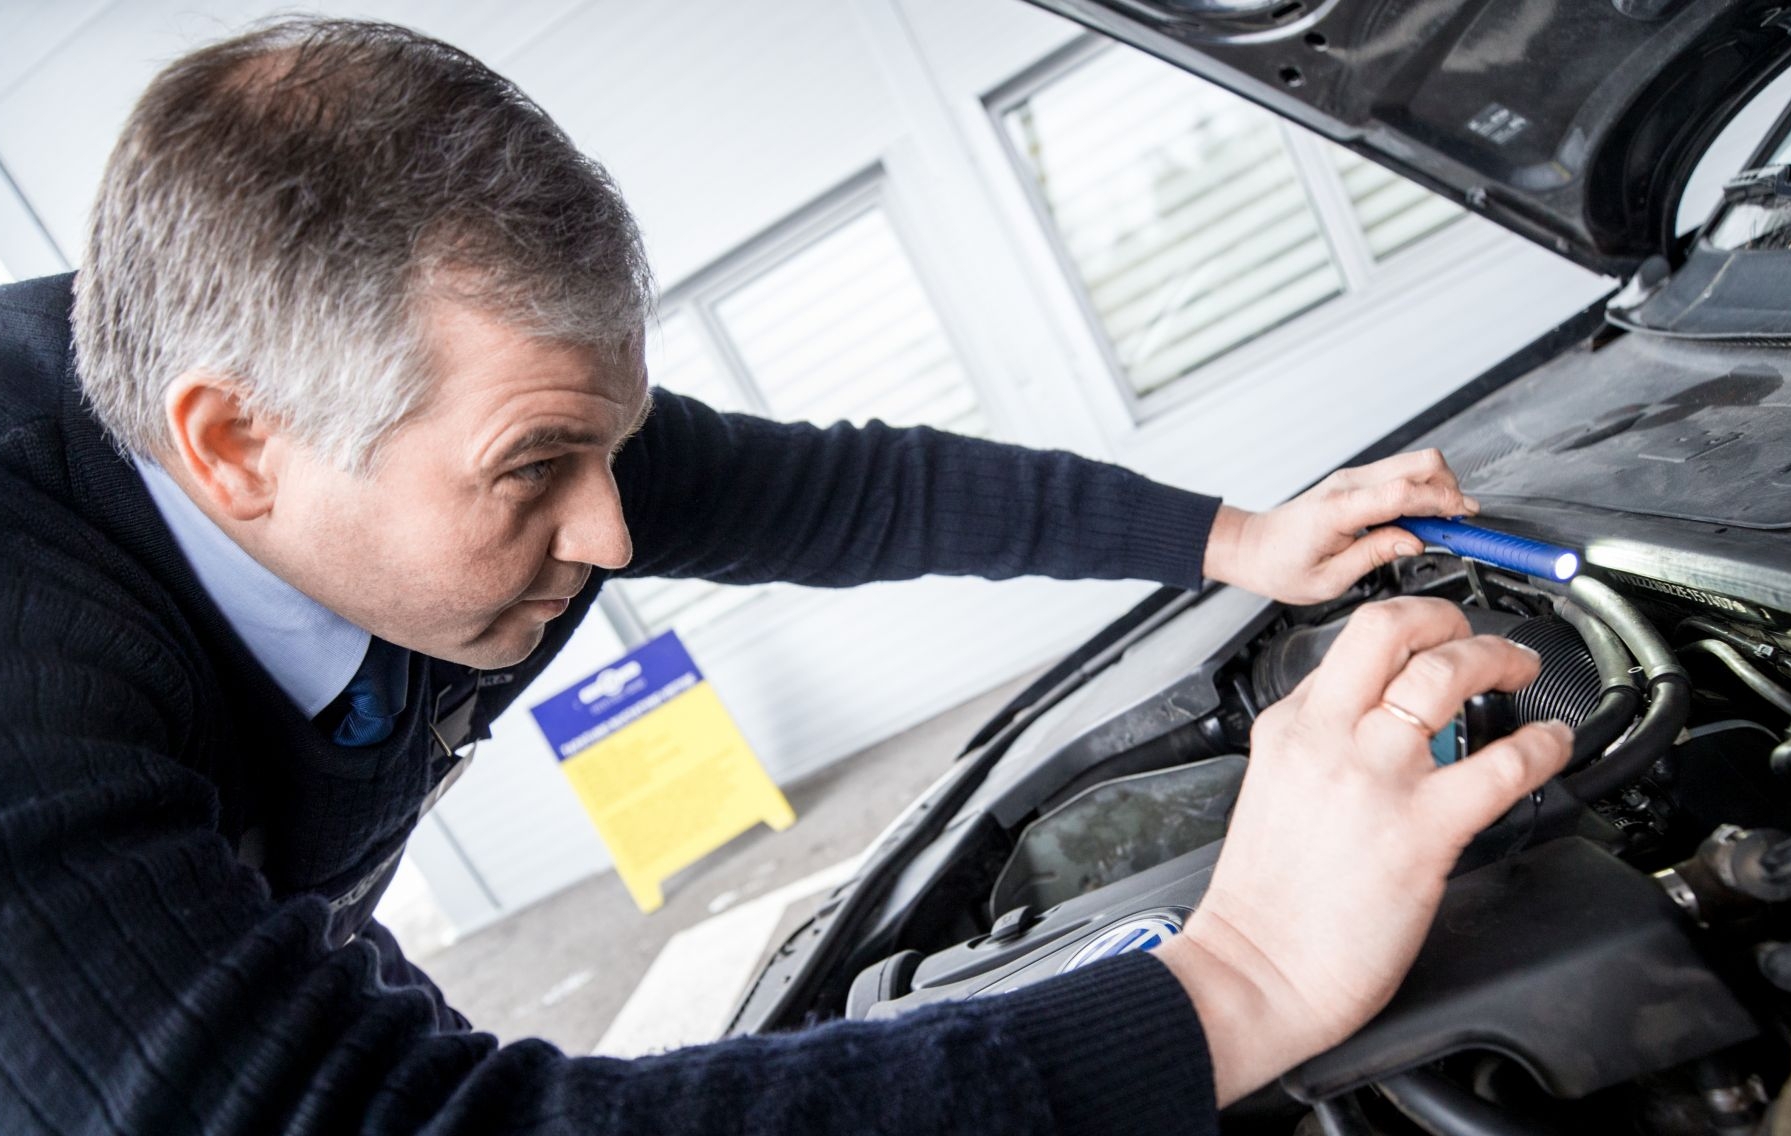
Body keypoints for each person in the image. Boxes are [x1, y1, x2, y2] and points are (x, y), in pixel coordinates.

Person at [0, 17, 1571, 1136]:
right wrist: (1238, 981)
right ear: (235, 449)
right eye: (537, 469)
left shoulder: (418, 412)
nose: (614, 536)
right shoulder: (29, 688)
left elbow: (857, 491)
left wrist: (1236, 540)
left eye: (612, 441)